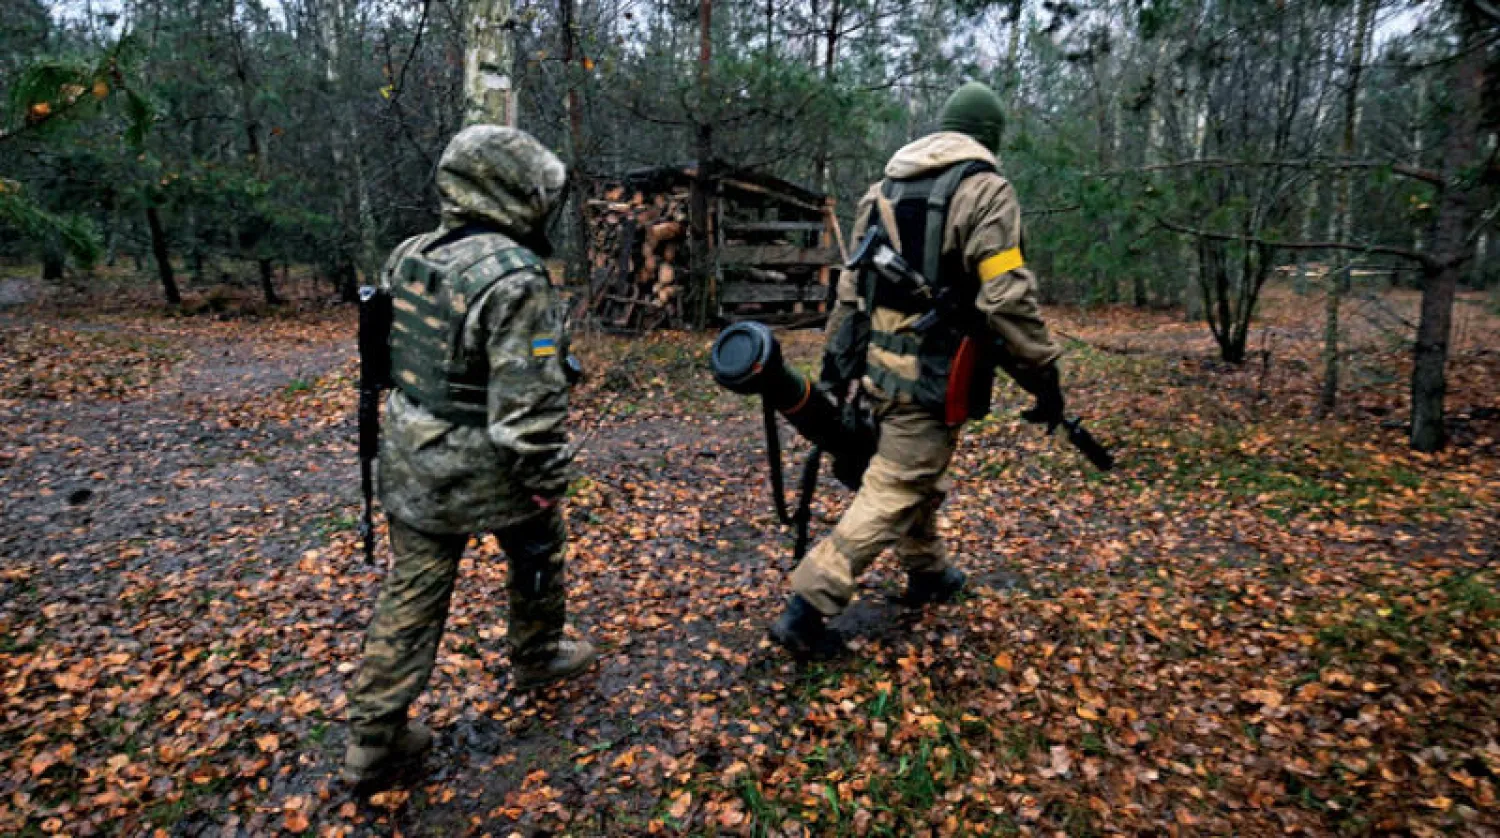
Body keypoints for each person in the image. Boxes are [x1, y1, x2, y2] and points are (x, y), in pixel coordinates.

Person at [770, 81, 1066, 658]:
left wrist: (837, 369)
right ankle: (807, 607)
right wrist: (1044, 375)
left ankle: (927, 572)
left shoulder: (882, 190)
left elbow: (851, 292)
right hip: (934, 377)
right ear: (990, 136)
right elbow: (1006, 299)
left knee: (917, 474)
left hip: (880, 370)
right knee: (896, 485)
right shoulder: (986, 192)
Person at [344, 125, 595, 785]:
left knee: (413, 591)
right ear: (512, 190)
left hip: (411, 454)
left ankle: (373, 736)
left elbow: (395, 357)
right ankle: (537, 655)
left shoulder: (411, 253)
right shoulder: (517, 279)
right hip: (486, 465)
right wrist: (545, 479)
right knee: (538, 549)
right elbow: (528, 408)